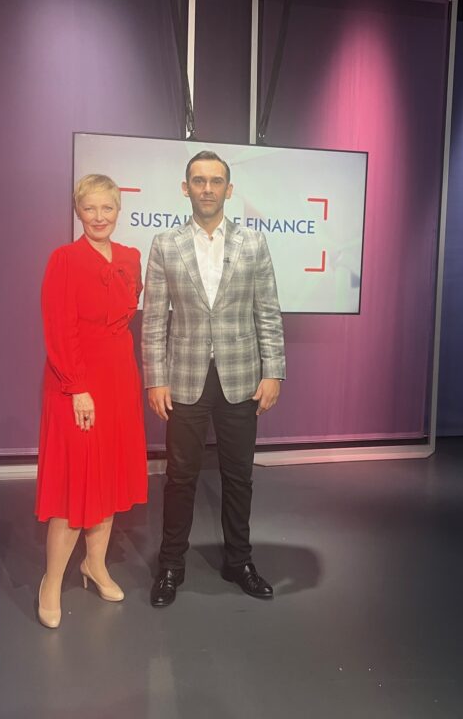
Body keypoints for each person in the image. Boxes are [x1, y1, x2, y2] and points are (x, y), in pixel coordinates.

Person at [142, 150, 286, 607]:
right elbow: (153, 320)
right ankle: (171, 564)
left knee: (239, 476)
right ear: (185, 188)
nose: (207, 188)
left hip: (241, 377)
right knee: (180, 476)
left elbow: (268, 312)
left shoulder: (254, 243)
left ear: (229, 189)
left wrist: (274, 371)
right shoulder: (165, 244)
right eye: (199, 181)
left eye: (216, 181)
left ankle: (239, 561)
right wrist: (155, 379)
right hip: (183, 377)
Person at [35, 174, 148, 628]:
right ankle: (51, 581)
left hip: (119, 378)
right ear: (77, 211)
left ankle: (94, 565)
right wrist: (77, 386)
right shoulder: (64, 259)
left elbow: (125, 315)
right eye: (90, 208)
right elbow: (58, 327)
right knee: (75, 484)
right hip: (75, 383)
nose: (99, 217)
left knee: (108, 478)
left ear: (118, 210)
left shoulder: (131, 257)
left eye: (107, 208)